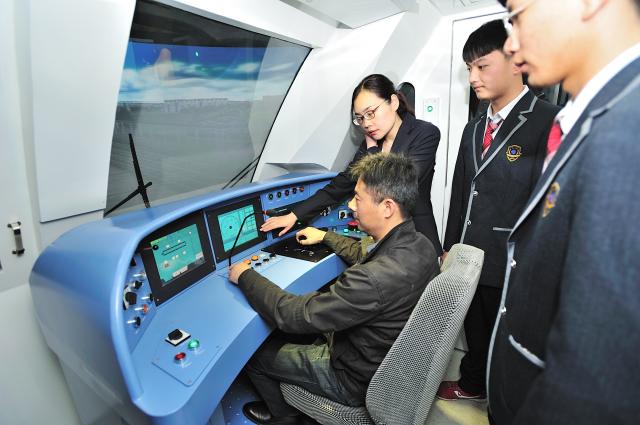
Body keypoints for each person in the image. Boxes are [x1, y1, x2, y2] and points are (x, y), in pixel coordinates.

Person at [487, 0, 640, 423]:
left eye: (516, 16)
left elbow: (600, 377)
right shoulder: (595, 116)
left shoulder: (628, 132)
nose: (511, 43)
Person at [228, 153, 439, 424]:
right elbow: (365, 253)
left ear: (387, 207)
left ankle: (285, 417)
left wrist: (245, 275)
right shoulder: (421, 245)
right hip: (387, 360)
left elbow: (293, 315)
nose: (350, 205)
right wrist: (326, 236)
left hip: (351, 377)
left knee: (252, 355)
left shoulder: (371, 279)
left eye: (358, 198)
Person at [437, 20, 558, 401]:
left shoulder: (547, 121)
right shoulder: (473, 129)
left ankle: (502, 401)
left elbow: (548, 205)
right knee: (474, 327)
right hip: (468, 253)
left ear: (515, 62)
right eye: (468, 68)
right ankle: (473, 384)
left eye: (482, 66)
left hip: (512, 258)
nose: (473, 77)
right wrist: (449, 245)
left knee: (507, 340)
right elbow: (461, 190)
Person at [260, 74, 443, 256]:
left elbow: (396, 185)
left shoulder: (425, 133)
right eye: (360, 118)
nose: (366, 124)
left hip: (418, 240)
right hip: (382, 243)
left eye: (370, 113)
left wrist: (372, 151)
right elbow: (340, 185)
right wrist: (294, 215)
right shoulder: (371, 144)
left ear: (393, 102)